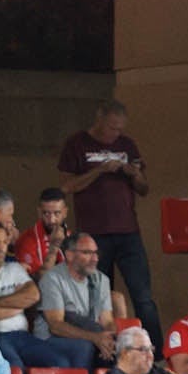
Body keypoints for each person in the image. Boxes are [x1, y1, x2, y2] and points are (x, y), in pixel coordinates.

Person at [58, 100, 157, 341]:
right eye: (112, 128)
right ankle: (103, 346)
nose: (115, 134)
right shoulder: (77, 143)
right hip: (94, 234)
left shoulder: (127, 145)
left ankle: (155, 349)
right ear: (99, 120)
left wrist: (134, 174)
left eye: (120, 129)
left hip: (128, 231)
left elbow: (144, 188)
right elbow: (67, 186)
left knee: (143, 296)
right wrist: (100, 170)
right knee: (99, 296)